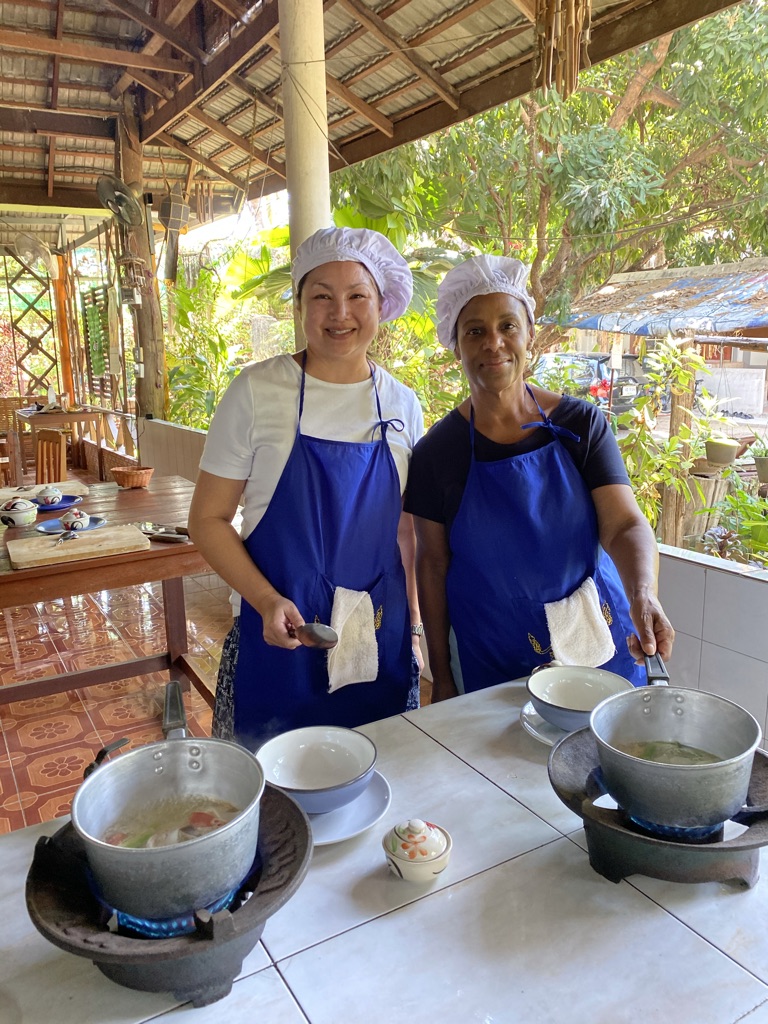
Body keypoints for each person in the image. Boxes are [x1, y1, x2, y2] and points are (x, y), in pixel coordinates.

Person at [189, 227, 424, 747]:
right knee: (275, 809)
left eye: (357, 295)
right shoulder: (256, 392)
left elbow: (405, 531)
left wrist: (411, 627)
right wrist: (266, 599)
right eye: (321, 295)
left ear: (381, 305)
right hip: (279, 639)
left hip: (376, 638)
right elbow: (206, 520)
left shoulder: (404, 405)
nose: (339, 312)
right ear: (299, 304)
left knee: (376, 786)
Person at [404, 255, 674, 702]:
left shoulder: (581, 424)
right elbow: (432, 564)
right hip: (493, 663)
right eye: (475, 330)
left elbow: (623, 524)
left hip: (596, 648)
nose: (494, 343)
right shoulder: (437, 453)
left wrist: (644, 594)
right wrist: (444, 677)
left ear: (530, 334)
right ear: (456, 345)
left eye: (508, 326)